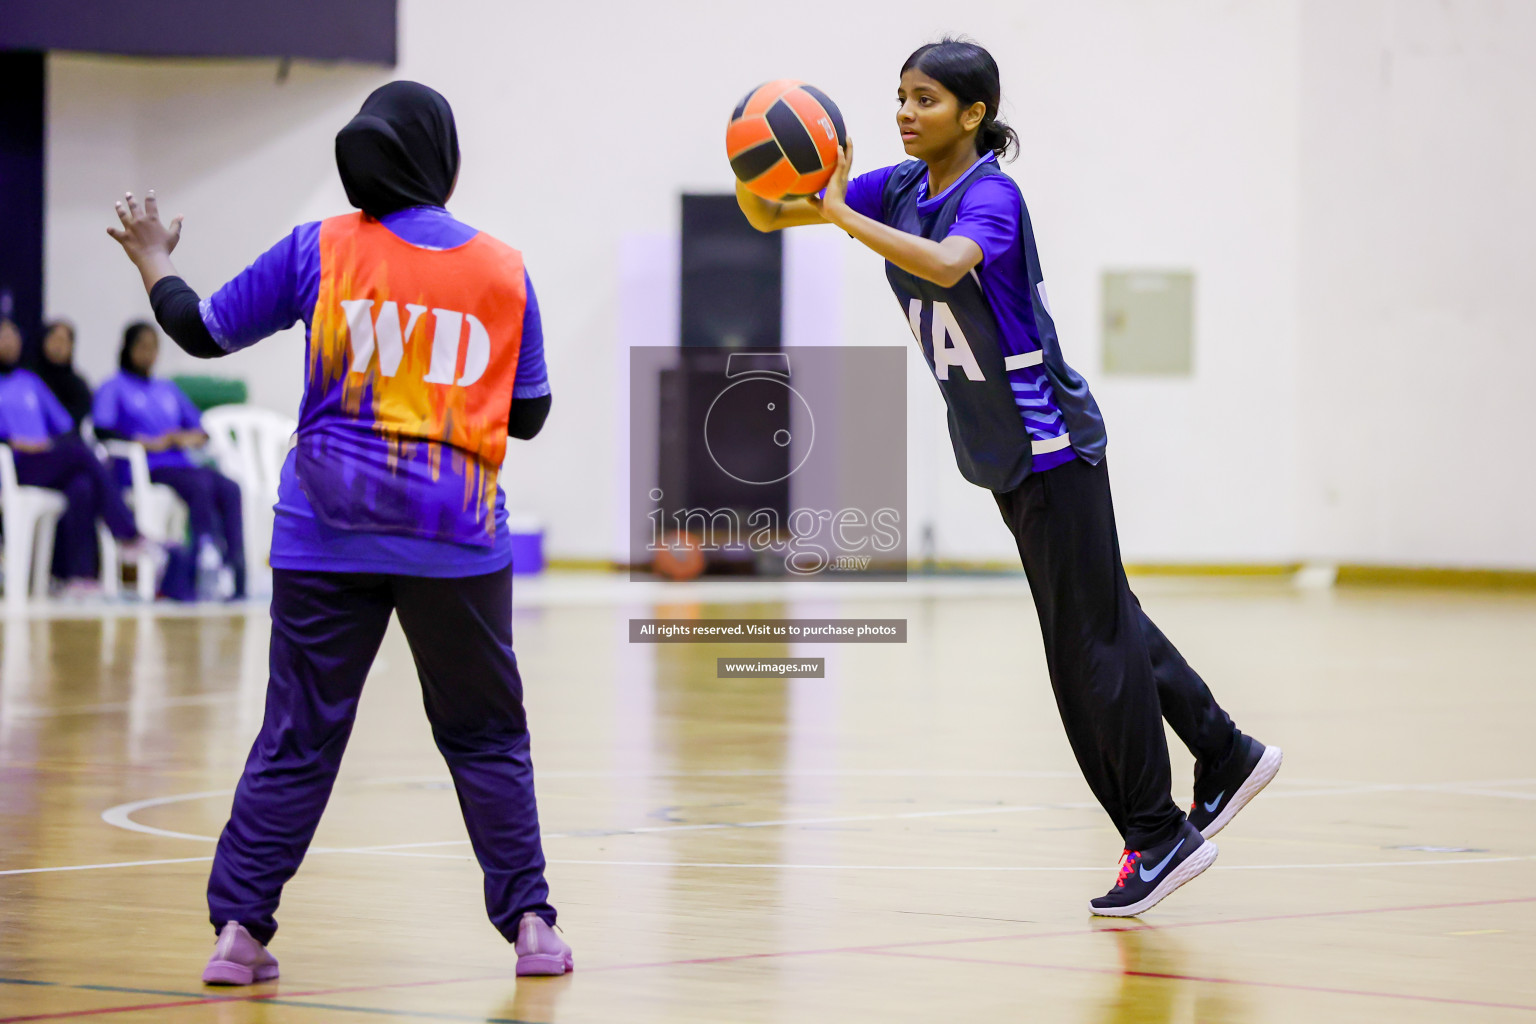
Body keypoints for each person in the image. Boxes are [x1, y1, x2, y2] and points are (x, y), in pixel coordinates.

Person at [735, 39, 1283, 917]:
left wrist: (838, 212)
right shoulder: (900, 187)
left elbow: (950, 264)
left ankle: (1159, 834)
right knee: (1105, 617)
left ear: (974, 114)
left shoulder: (989, 194)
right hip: (1000, 448)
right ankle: (1226, 754)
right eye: (899, 98)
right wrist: (770, 160)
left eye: (925, 100)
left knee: (1086, 646)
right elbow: (771, 217)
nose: (905, 113)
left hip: (1049, 444)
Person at [105, 80, 568, 983]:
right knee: (484, 735)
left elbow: (198, 331)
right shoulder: (501, 268)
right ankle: (532, 927)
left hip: (323, 531)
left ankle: (238, 933)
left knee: (298, 734)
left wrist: (155, 259)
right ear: (443, 158)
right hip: (455, 537)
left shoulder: (320, 249)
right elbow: (532, 414)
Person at [92, 321, 247, 599]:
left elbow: (201, 432)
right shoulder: (114, 386)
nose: (149, 354)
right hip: (146, 468)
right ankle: (199, 563)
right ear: (127, 349)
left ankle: (236, 569)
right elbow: (100, 430)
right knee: (200, 487)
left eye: (154, 347)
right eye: (142, 346)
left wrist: (179, 438)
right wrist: (145, 442)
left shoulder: (167, 390)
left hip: (181, 463)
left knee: (229, 487)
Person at [0, 317, 144, 595]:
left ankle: (80, 578)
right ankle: (127, 533)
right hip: (12, 465)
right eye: (3, 336)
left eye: (14, 336)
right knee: (79, 453)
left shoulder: (29, 381)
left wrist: (47, 444)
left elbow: (64, 425)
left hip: (41, 462)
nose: (10, 342)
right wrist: (13, 441)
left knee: (82, 486)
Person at [31, 319, 95, 430]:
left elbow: (80, 420)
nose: (58, 346)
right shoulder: (28, 377)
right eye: (54, 339)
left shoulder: (78, 385)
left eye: (64, 341)